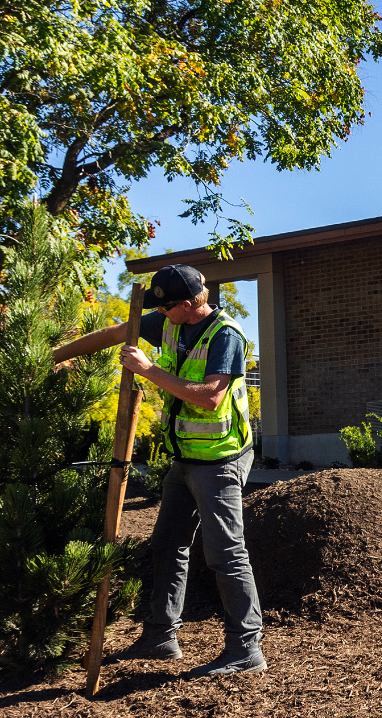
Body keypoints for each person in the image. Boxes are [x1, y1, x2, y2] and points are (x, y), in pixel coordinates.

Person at [51, 263, 265, 676]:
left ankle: (246, 647)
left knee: (225, 554)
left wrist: (148, 370)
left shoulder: (225, 337)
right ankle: (160, 637)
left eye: (166, 309)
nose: (160, 315)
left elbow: (209, 399)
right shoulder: (169, 322)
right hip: (184, 458)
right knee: (167, 545)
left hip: (220, 459)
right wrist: (53, 357)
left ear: (186, 305)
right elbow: (114, 333)